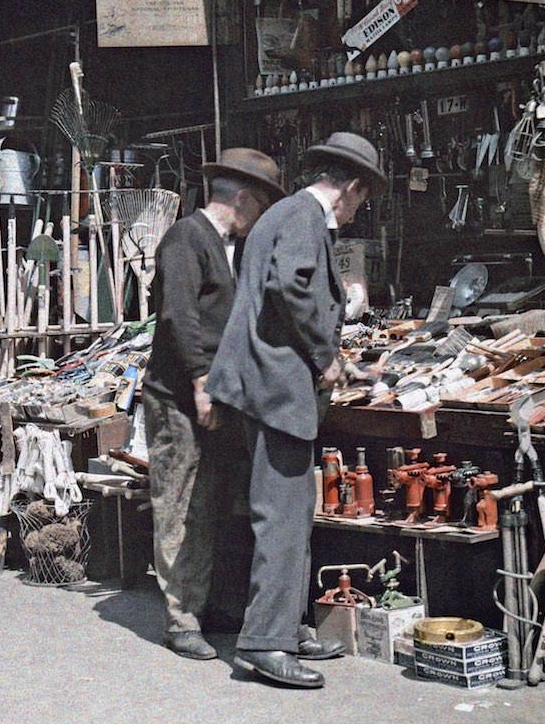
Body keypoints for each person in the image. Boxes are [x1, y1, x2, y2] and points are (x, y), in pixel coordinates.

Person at [206, 132, 386, 688]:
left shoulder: (285, 215)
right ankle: (266, 642)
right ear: (350, 188)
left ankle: (289, 624)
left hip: (267, 386)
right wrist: (325, 355)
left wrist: (339, 362)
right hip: (276, 392)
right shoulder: (305, 216)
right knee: (282, 518)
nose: (358, 210)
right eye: (362, 199)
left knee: (290, 509)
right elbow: (291, 287)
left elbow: (285, 294)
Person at [143, 148, 285, 660]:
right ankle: (181, 619)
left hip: (218, 400)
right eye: (262, 206)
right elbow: (178, 318)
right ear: (243, 199)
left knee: (219, 504)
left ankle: (212, 606)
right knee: (181, 505)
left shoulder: (230, 248)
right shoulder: (186, 238)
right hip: (179, 399)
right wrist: (202, 383)